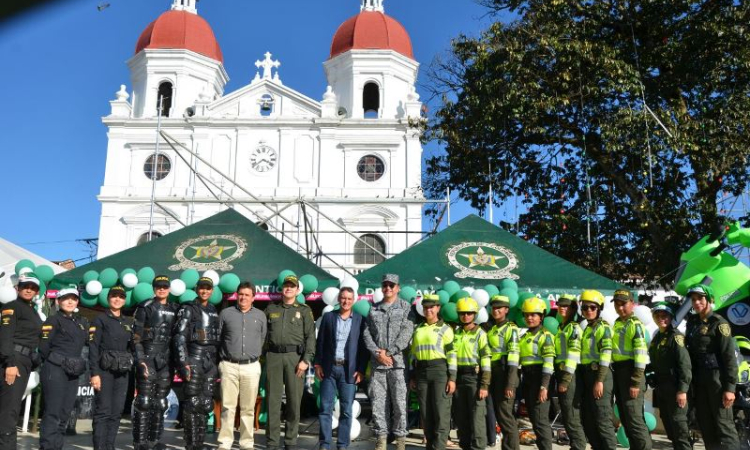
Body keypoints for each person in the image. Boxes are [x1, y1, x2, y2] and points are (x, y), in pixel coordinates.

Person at [362, 273, 415, 450]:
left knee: (400, 404)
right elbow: (367, 333)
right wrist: (378, 353)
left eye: (392, 285)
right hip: (378, 365)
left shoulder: (406, 308)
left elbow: (407, 334)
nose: (388, 288)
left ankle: (400, 442)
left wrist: (390, 352)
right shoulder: (373, 309)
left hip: (398, 365)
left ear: (398, 288)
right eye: (385, 285)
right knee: (378, 404)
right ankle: (381, 440)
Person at [685, 283, 739, 450]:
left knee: (724, 425)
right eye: (693, 299)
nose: (696, 302)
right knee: (706, 425)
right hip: (699, 381)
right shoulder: (692, 323)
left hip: (717, 380)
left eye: (700, 298)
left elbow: (729, 358)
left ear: (709, 299)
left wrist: (730, 388)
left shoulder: (719, 323)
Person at [264, 275, 316, 450]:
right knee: (273, 401)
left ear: (297, 290)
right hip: (274, 357)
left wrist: (306, 360)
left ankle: (291, 441)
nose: (288, 288)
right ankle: (271, 442)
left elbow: (310, 338)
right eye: (286, 285)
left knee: (294, 401)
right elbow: (263, 335)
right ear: (282, 289)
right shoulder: (271, 309)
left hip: (295, 359)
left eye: (292, 286)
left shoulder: (304, 310)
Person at [314, 287, 368, 450]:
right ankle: (324, 443)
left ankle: (343, 444)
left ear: (354, 300)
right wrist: (317, 364)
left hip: (349, 371)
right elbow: (321, 342)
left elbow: (363, 348)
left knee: (346, 410)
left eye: (349, 299)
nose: (346, 301)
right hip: (329, 369)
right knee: (325, 408)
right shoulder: (329, 317)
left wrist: (361, 369)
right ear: (339, 299)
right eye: (343, 298)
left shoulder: (360, 320)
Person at [173, 276, 221, 450]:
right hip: (194, 358)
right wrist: (183, 362)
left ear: (212, 290)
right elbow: (179, 337)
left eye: (208, 288)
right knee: (192, 403)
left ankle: (199, 443)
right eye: (202, 288)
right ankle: (191, 444)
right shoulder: (188, 308)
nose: (204, 291)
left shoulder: (214, 310)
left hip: (210, 361)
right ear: (197, 289)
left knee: (206, 404)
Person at [132, 275, 179, 450]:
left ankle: (154, 439)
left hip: (166, 361)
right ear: (154, 288)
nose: (161, 289)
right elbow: (135, 337)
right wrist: (140, 359)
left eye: (165, 286)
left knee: (160, 402)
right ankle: (140, 442)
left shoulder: (175, 309)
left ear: (169, 288)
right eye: (158, 286)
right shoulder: (145, 307)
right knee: (144, 401)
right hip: (148, 358)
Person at [218, 281, 266, 450]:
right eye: (241, 294)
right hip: (229, 365)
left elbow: (262, 339)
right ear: (236, 295)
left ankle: (246, 443)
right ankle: (225, 443)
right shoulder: (225, 313)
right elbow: (219, 338)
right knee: (227, 407)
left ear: (253, 297)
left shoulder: (260, 316)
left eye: (247, 295)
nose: (243, 297)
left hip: (251, 366)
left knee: (248, 408)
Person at [39, 285, 88, 450]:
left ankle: (57, 446)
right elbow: (44, 347)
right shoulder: (53, 320)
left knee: (65, 413)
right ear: (59, 301)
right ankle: (47, 446)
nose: (70, 302)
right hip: (55, 369)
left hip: (72, 372)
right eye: (66, 298)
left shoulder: (80, 322)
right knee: (53, 412)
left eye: (73, 299)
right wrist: (61, 361)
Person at [0, 273, 43, 450]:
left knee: (11, 409)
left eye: (33, 287)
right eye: (25, 286)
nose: (29, 289)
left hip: (24, 362)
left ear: (36, 291)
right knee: (9, 411)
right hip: (13, 361)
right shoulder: (11, 307)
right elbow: (5, 336)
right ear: (18, 288)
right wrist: (10, 363)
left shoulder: (32, 310)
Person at [89, 284, 134, 450]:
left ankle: (110, 446)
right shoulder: (100, 319)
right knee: (103, 412)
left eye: (121, 296)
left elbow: (133, 347)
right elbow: (93, 348)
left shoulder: (128, 322)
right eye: (114, 296)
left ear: (124, 300)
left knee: (116, 413)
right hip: (104, 371)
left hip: (122, 373)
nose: (117, 299)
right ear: (108, 298)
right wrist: (94, 373)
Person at [409, 294, 456, 450]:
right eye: (426, 307)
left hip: (440, 372)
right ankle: (430, 445)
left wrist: (452, 378)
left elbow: (452, 356)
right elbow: (413, 355)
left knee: (441, 413)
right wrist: (413, 376)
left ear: (438, 308)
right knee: (425, 413)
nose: (428, 310)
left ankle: (439, 446)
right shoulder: (418, 329)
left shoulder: (445, 329)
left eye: (431, 307)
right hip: (421, 373)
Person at [647, 302, 691, 450]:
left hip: (674, 387)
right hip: (661, 387)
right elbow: (655, 363)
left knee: (680, 428)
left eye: (664, 315)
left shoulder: (676, 337)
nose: (661, 318)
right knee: (670, 427)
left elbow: (684, 365)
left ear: (671, 317)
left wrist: (682, 390)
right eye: (657, 315)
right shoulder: (657, 337)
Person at [610, 289, 651, 450]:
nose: (620, 308)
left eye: (624, 304)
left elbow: (641, 356)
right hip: (619, 372)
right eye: (617, 304)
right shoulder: (618, 323)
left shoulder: (636, 325)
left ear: (632, 304)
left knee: (635, 420)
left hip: (632, 373)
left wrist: (635, 382)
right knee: (626, 420)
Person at [578, 289, 617, 450]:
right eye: (585, 307)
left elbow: (606, 356)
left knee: (603, 420)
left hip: (600, 376)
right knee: (588, 420)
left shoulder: (604, 328)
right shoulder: (588, 328)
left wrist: (600, 381)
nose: (588, 310)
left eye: (592, 307)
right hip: (588, 376)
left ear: (599, 309)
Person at [453, 297, 491, 450]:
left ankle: (479, 447)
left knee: (477, 417)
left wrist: (484, 385)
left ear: (474, 314)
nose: (466, 316)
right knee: (462, 418)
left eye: (469, 313)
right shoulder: (456, 334)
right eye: (462, 313)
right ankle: (465, 446)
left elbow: (486, 361)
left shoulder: (480, 334)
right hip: (458, 378)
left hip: (474, 379)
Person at [518, 297, 555, 450]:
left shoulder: (545, 336)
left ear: (542, 316)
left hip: (540, 379)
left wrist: (544, 387)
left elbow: (548, 364)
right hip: (528, 379)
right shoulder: (525, 336)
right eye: (527, 315)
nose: (530, 318)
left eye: (534, 315)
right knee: (534, 419)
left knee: (540, 421)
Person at [485, 295, 520, 450]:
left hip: (506, 374)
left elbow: (513, 358)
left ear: (506, 310)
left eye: (499, 308)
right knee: (500, 415)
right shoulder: (493, 329)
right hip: (494, 374)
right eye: (494, 308)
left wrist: (510, 384)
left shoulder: (511, 329)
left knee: (506, 417)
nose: (496, 310)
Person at [553, 294, 586, 450]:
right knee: (566, 414)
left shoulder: (573, 328)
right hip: (561, 373)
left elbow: (574, 354)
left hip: (570, 375)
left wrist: (565, 379)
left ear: (573, 309)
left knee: (571, 415)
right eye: (560, 305)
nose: (562, 308)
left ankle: (579, 446)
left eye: (566, 306)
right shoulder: (562, 327)